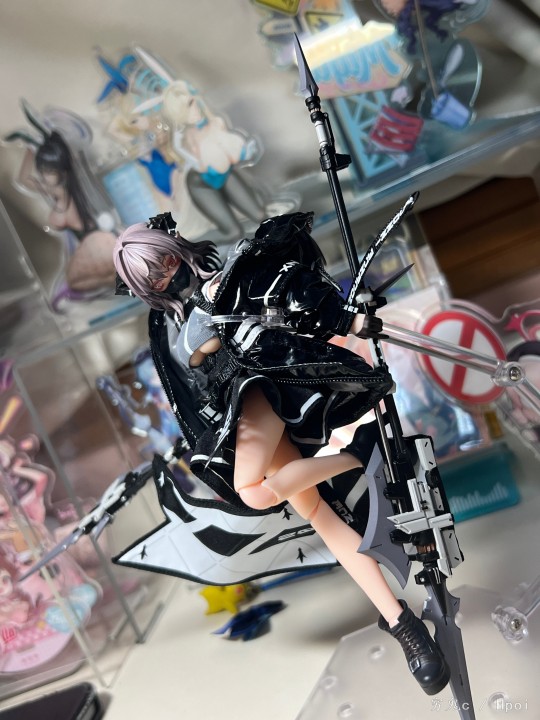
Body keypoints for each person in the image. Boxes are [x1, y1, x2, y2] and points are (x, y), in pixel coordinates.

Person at [113, 212, 450, 696]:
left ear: (174, 248)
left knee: (253, 493)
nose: (165, 275)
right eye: (152, 277)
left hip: (259, 391)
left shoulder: (228, 277)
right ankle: (402, 623)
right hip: (232, 415)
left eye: (163, 262)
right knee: (319, 514)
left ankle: (357, 457)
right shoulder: (167, 323)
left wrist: (345, 319)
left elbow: (291, 293)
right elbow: (187, 374)